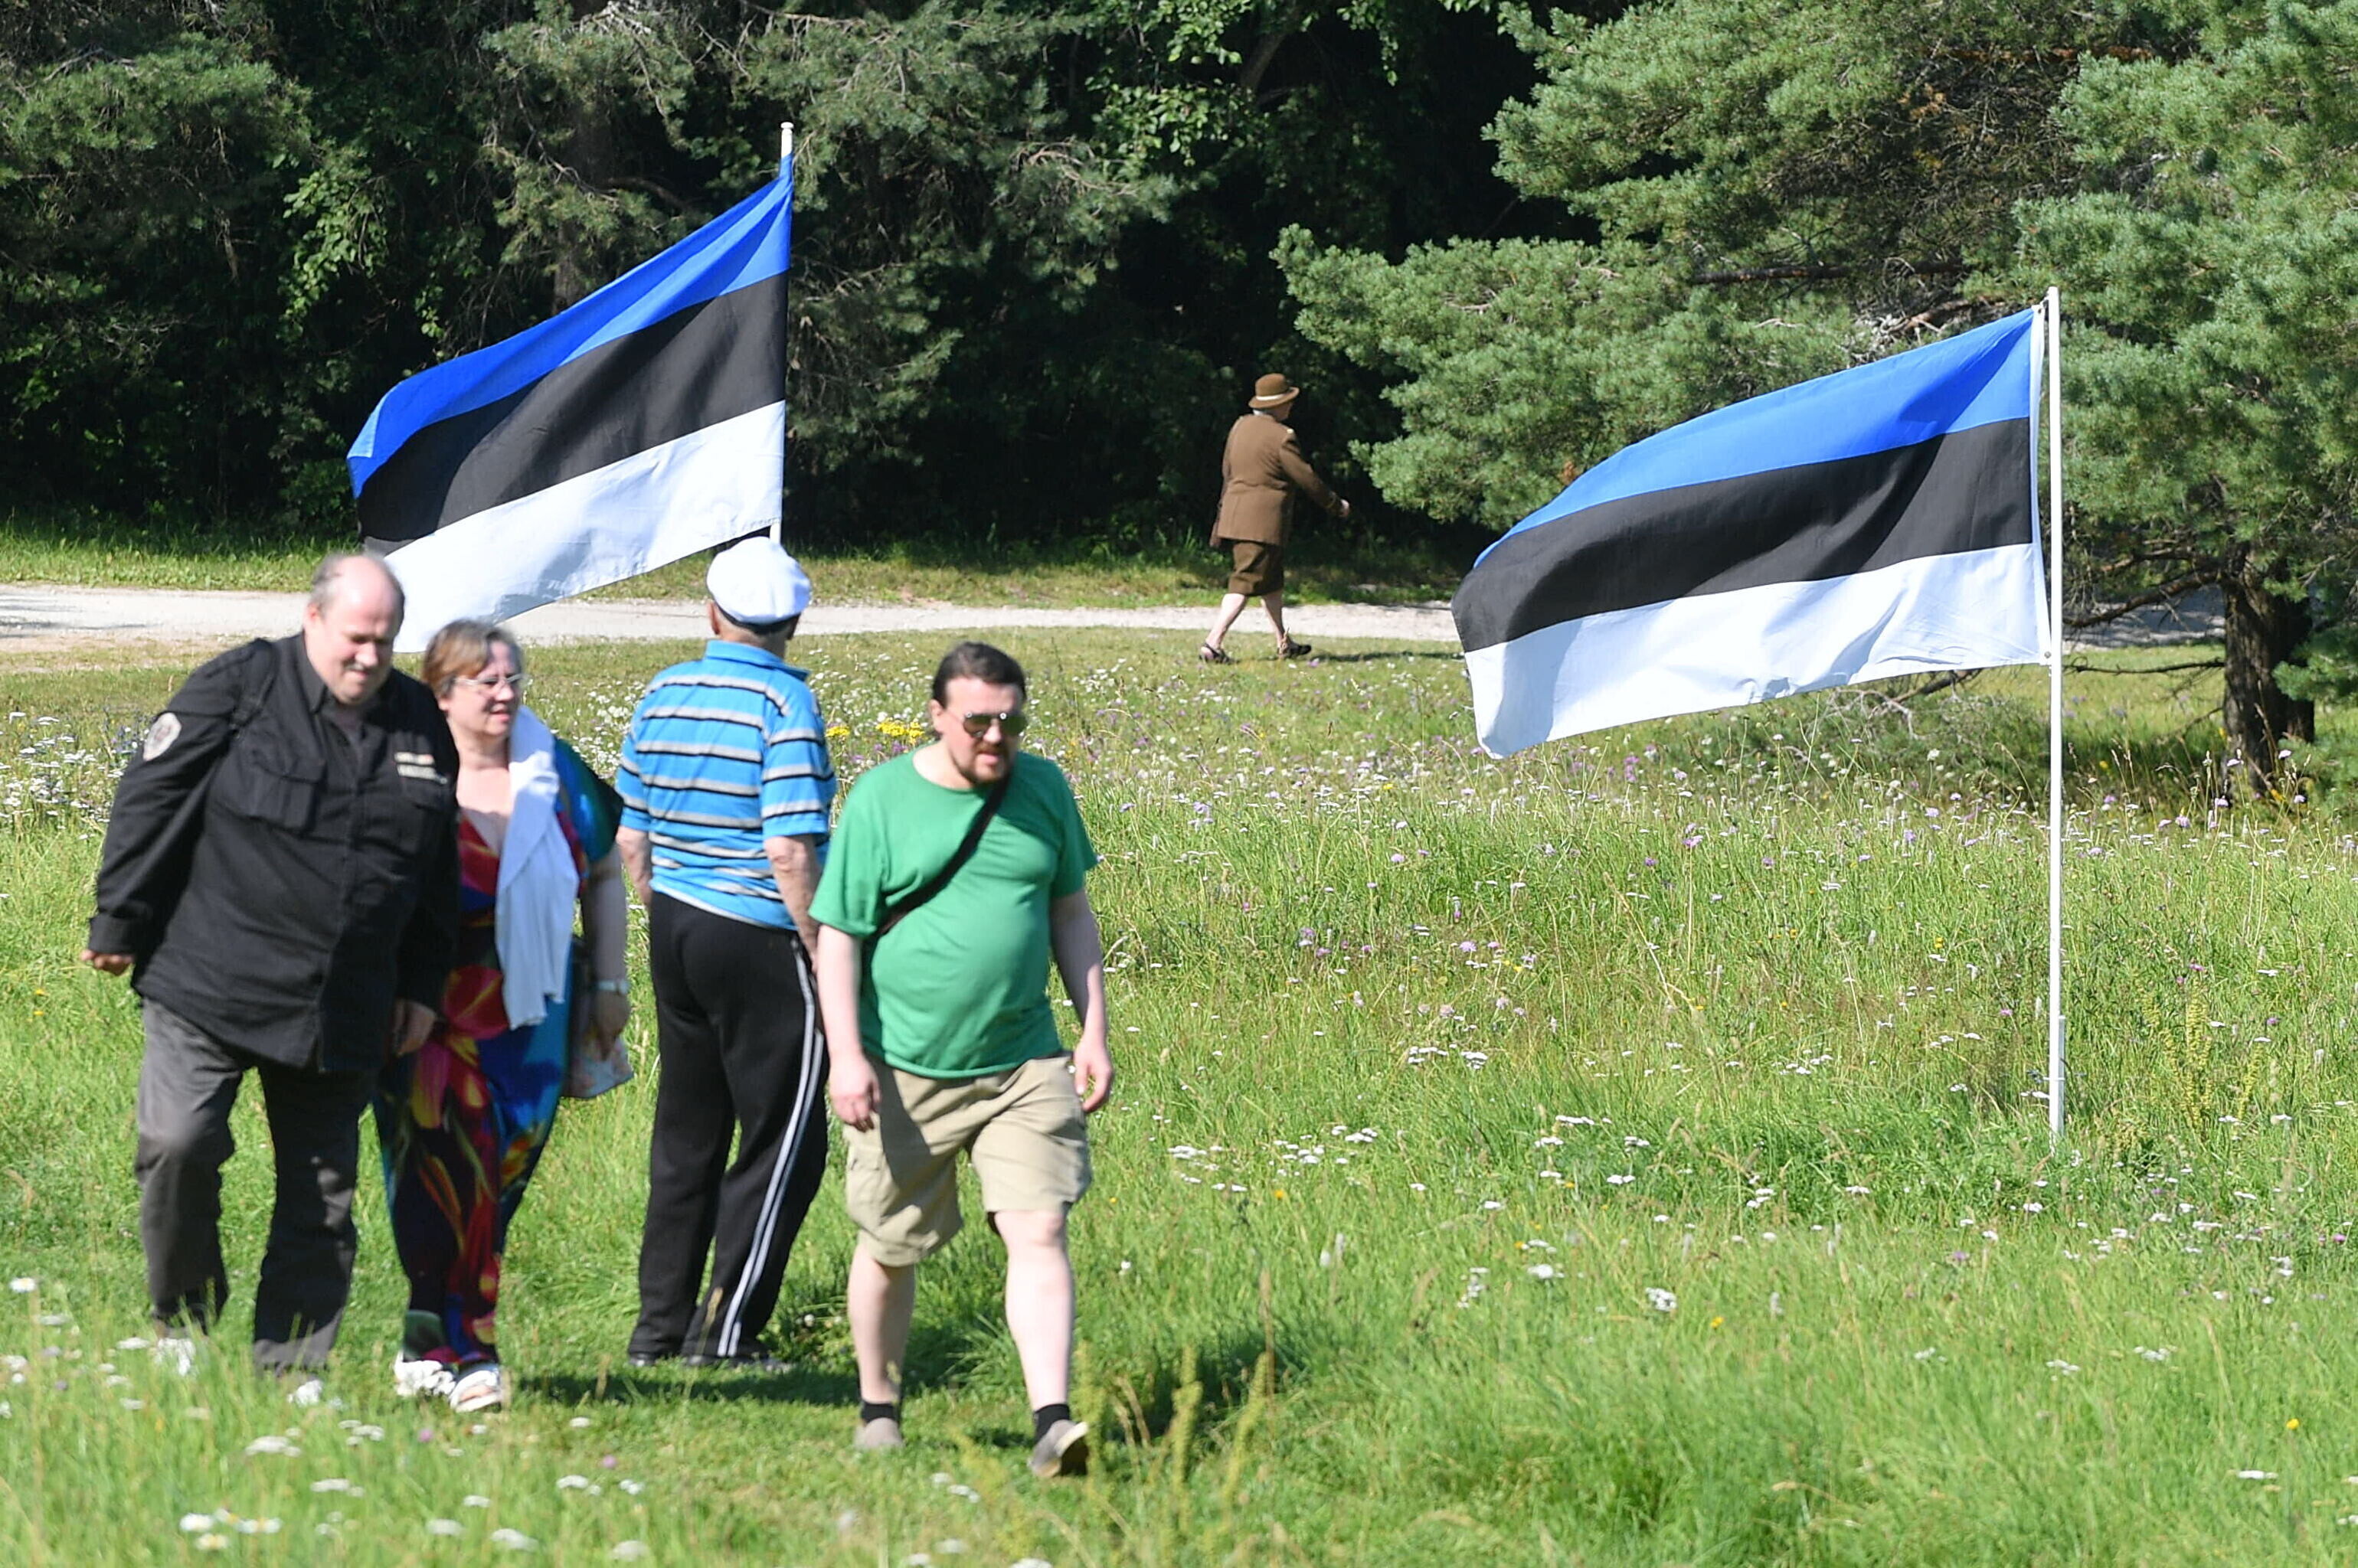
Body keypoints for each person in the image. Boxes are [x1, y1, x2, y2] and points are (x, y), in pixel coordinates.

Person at [82, 554, 459, 1378]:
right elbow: (151, 795)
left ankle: (292, 1369)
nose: (369, 655)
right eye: (356, 637)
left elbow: (436, 869)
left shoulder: (419, 724)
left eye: (386, 640)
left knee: (321, 1196)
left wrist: (423, 985)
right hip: (209, 978)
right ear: (313, 618)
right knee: (176, 1143)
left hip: (342, 1002)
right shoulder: (241, 686)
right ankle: (181, 1323)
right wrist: (119, 918)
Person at [811, 640, 1115, 1478]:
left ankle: (1051, 1422)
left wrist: (1092, 1030)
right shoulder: (881, 800)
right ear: (937, 715)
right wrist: (846, 1056)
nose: (996, 738)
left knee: (1039, 1224)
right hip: (902, 1066)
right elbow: (839, 939)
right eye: (978, 722)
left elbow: (1070, 912)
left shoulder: (1043, 788)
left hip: (1023, 1061)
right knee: (891, 1244)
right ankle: (879, 1406)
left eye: (1011, 722)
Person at [375, 620, 628, 1413]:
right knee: (438, 1176)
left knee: (501, 1177)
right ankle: (464, 1350)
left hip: (533, 1012)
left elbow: (605, 868)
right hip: (425, 1012)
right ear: (441, 692)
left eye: (513, 678)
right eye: (485, 680)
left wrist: (612, 981)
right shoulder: (407, 768)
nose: (504, 693)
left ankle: (434, 1336)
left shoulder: (555, 771)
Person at [617, 537, 836, 1368]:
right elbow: (789, 848)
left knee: (687, 1136)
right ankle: (726, 1331)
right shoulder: (785, 705)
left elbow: (631, 834)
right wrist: (819, 949)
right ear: (793, 623)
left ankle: (658, 1330)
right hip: (759, 932)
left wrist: (664, 907)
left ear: (711, 613)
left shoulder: (662, 689)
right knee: (784, 1141)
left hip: (675, 924)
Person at [1201, 371, 1351, 665]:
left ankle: (1284, 643)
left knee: (1271, 584)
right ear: (1278, 405)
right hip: (1262, 523)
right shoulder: (1282, 437)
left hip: (1236, 515)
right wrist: (1336, 505)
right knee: (1244, 582)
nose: (1291, 407)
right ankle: (1213, 643)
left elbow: (1227, 472)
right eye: (1289, 401)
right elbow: (1307, 478)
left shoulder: (1240, 426)